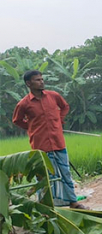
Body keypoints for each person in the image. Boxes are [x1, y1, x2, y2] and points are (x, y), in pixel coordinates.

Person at [12, 70, 87, 209]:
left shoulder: (53, 96)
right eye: (37, 80)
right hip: (40, 145)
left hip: (58, 142)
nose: (41, 82)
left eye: (41, 79)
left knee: (65, 172)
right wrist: (32, 127)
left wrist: (60, 119)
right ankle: (45, 205)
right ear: (29, 83)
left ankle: (73, 202)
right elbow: (17, 120)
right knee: (43, 176)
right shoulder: (24, 104)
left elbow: (65, 107)